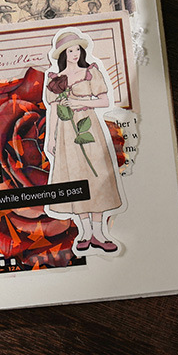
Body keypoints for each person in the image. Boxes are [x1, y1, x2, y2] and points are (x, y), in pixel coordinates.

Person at [43, 29, 124, 253]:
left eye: (77, 49)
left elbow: (105, 100)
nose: (75, 54)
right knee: (75, 176)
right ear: (63, 54)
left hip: (89, 128)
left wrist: (81, 103)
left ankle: (99, 233)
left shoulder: (90, 72)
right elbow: (53, 109)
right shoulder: (55, 79)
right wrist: (51, 138)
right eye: (70, 51)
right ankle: (86, 232)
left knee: (95, 174)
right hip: (66, 132)